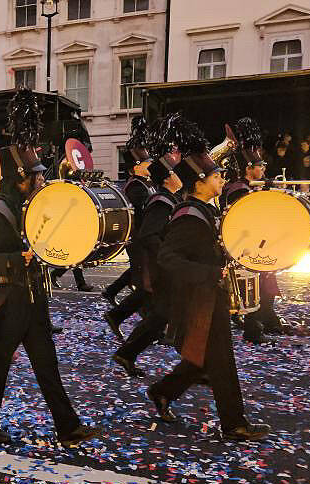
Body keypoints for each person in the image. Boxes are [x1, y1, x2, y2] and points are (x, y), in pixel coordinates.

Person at [0, 88, 100, 447]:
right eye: (35, 175)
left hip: (33, 298)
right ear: (19, 177)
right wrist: (13, 260)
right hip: (6, 302)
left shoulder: (31, 205)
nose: (41, 179)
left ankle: (68, 427)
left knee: (47, 366)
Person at [146, 116, 270, 441]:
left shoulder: (207, 210)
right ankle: (234, 424)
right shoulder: (188, 217)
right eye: (215, 175)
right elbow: (167, 258)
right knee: (221, 360)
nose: (220, 178)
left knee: (203, 358)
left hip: (210, 294)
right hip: (198, 298)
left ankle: (162, 392)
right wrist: (212, 272)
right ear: (199, 182)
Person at [112, 114, 184, 378]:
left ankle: (128, 349)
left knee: (159, 313)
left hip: (161, 262)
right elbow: (148, 233)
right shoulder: (154, 196)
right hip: (155, 260)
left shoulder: (163, 195)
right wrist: (169, 255)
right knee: (158, 309)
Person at [221, 117, 289, 344]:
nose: (264, 169)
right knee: (253, 289)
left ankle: (268, 321)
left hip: (258, 243)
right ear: (249, 168)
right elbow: (245, 217)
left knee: (266, 285)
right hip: (244, 245)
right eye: (261, 166)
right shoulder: (237, 189)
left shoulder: (252, 186)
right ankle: (254, 329)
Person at [104, 116, 156, 338]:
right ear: (136, 167)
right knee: (146, 284)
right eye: (146, 164)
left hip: (145, 239)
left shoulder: (145, 184)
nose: (150, 167)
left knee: (146, 281)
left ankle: (122, 310)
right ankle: (121, 317)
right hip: (139, 240)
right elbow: (139, 215)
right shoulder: (135, 186)